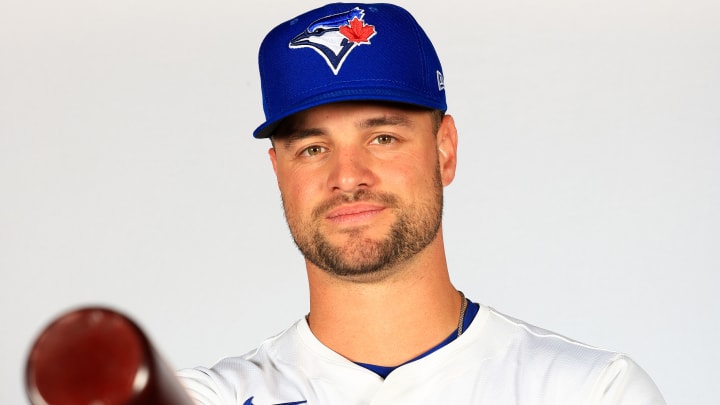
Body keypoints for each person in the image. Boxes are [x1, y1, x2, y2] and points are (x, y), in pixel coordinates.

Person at [178, 3, 666, 404]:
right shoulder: (210, 397)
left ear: (444, 150)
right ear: (278, 172)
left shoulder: (588, 391)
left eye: (383, 138)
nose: (348, 177)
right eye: (313, 148)